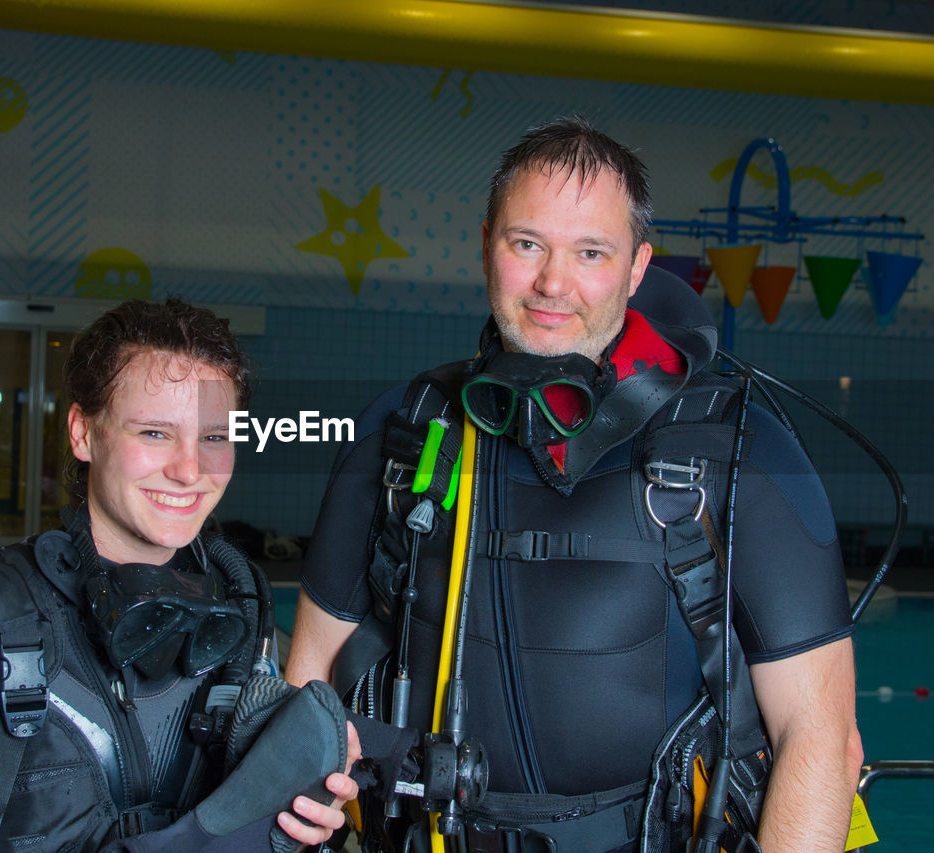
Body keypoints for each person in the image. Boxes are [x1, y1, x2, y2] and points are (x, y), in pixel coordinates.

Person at [287, 116, 863, 852]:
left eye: (590, 252)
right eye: (528, 244)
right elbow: (309, 683)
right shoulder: (404, 433)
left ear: (635, 268)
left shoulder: (736, 450)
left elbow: (820, 739)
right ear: (487, 241)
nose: (553, 284)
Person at [0, 297, 360, 852]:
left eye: (215, 438)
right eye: (154, 433)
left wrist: (293, 815)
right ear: (83, 432)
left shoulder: (240, 615)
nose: (190, 470)